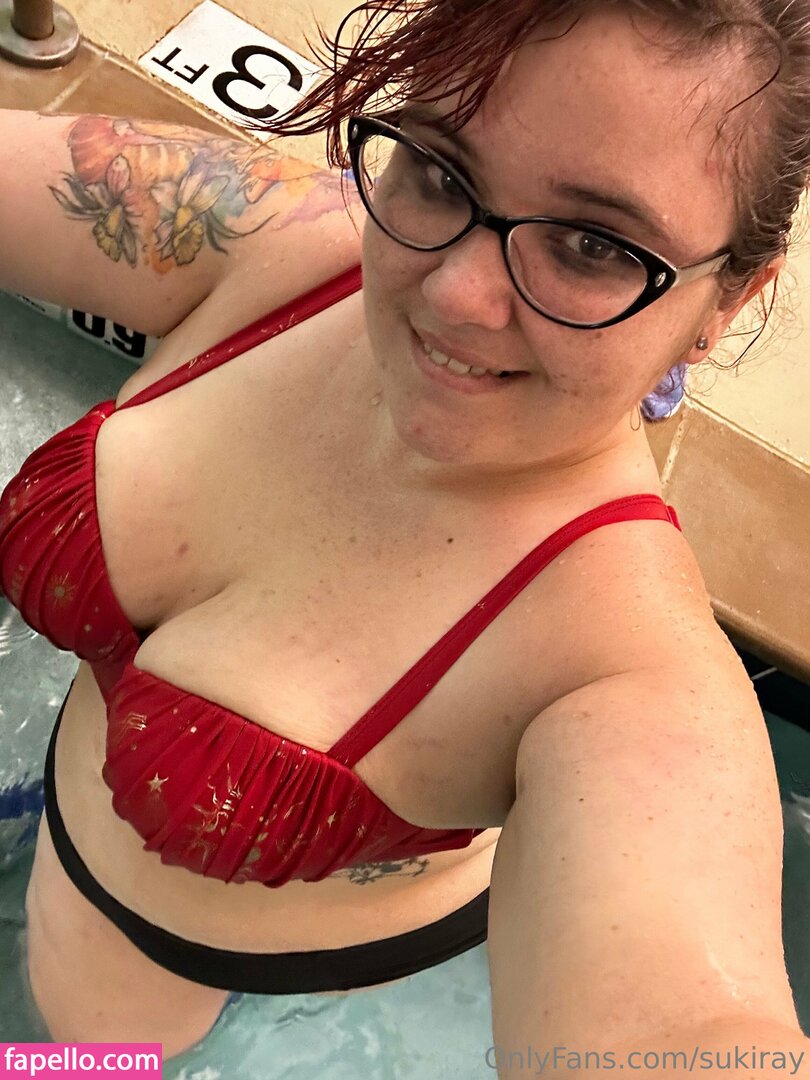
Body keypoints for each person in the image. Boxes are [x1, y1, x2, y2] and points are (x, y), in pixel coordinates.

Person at [1, 0, 810, 1074]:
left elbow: (680, 1028)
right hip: (74, 815)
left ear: (727, 302)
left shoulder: (621, 669)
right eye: (438, 169)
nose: (458, 295)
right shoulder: (285, 246)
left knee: (61, 1058)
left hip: (155, 965)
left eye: (591, 246)